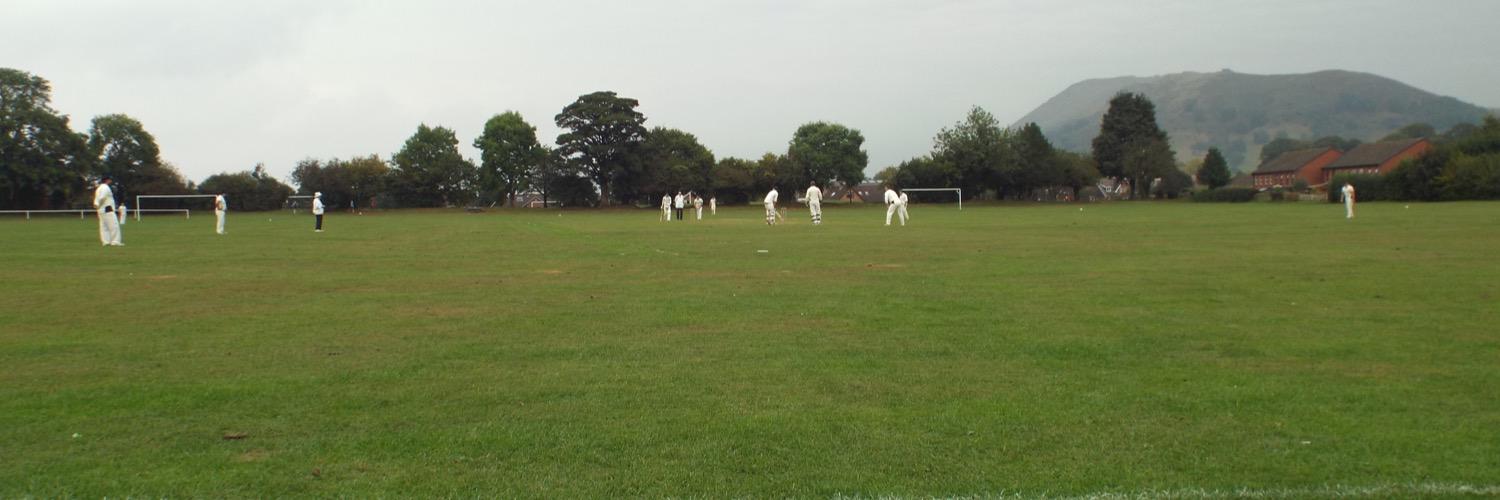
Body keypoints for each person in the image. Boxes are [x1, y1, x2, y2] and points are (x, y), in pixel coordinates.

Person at [94, 176, 123, 246]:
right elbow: (102, 197)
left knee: (104, 227)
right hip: (107, 208)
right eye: (110, 180)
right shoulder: (105, 187)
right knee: (114, 225)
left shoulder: (99, 188)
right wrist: (98, 204)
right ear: (107, 180)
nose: (111, 181)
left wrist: (97, 206)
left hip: (101, 210)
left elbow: (97, 199)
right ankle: (115, 241)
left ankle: (106, 241)